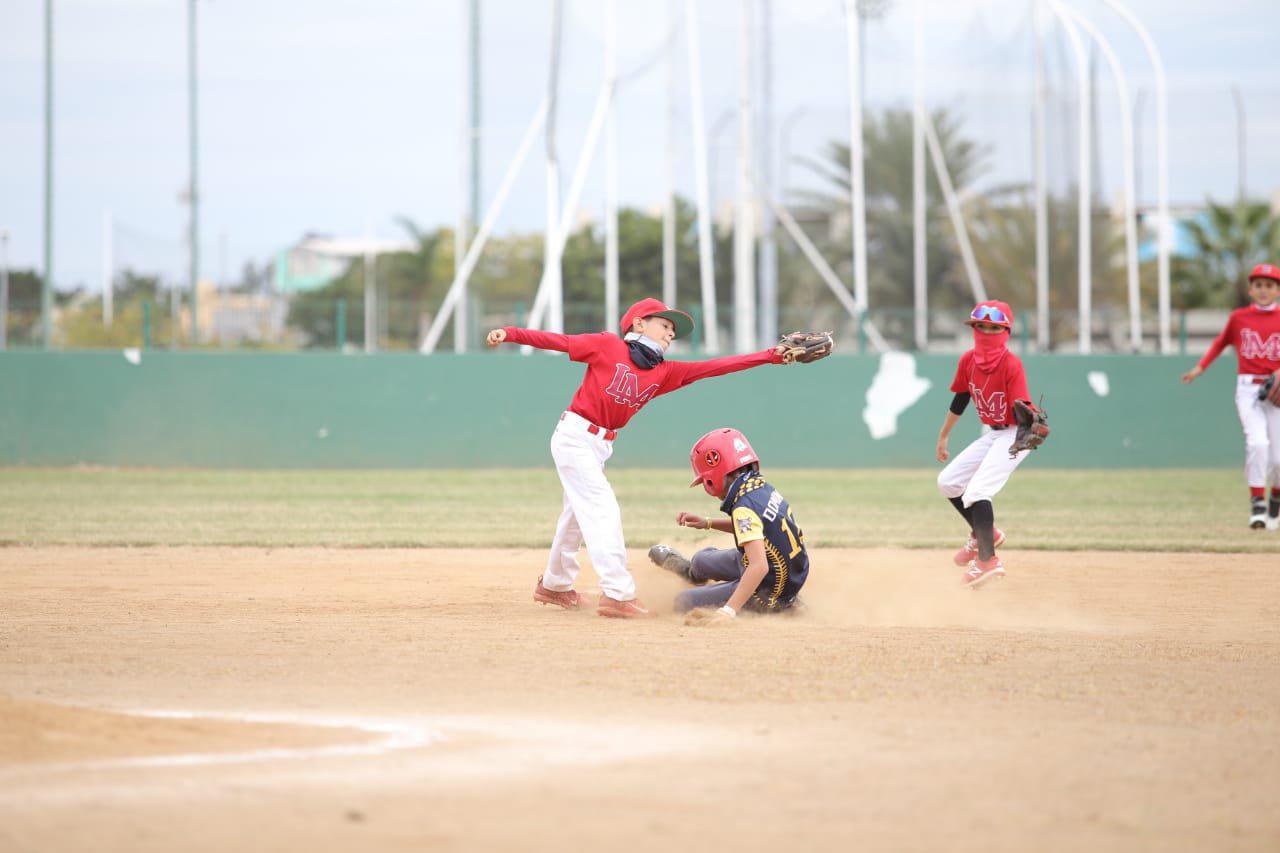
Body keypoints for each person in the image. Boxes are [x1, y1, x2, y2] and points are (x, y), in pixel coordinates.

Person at [487, 298, 798, 618]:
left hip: (599, 445)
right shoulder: (609, 346)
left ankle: (554, 585)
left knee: (577, 516)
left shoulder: (663, 372)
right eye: (665, 325)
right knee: (601, 508)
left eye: (673, 331)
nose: (670, 334)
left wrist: (770, 356)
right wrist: (509, 333)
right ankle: (618, 594)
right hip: (575, 437)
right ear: (638, 323)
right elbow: (560, 341)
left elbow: (716, 366)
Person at [648, 427, 809, 625]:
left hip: (766, 589)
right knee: (699, 560)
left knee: (683, 601)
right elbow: (754, 527)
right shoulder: (760, 488)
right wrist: (706, 523)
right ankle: (694, 574)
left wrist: (728, 611)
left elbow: (759, 566)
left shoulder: (744, 506)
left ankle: (783, 606)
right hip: (784, 575)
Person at [935, 300, 1041, 588]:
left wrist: (1028, 425)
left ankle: (987, 560)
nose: (986, 331)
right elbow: (960, 399)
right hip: (995, 433)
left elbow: (1022, 404)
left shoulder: (1010, 363)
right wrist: (944, 435)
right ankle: (986, 533)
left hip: (1016, 433)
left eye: (994, 327)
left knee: (979, 491)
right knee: (949, 482)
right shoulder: (968, 361)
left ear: (1005, 331)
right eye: (981, 326)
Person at [1182, 263, 1280, 530]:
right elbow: (1220, 343)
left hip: (1277, 392)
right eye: (1258, 285)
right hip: (1249, 390)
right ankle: (1257, 505)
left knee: (1278, 458)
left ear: (1277, 290)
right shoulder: (1239, 318)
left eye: (1269, 285)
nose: (1263, 290)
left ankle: (1276, 498)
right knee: (1258, 443)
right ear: (1250, 289)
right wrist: (1199, 369)